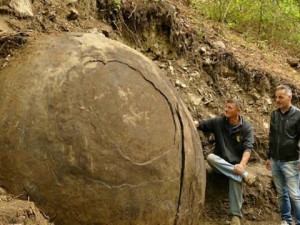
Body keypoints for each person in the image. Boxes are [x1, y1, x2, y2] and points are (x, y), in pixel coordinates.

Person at [194, 98, 256, 225]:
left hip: (235, 165)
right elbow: (200, 124)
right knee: (211, 158)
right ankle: (244, 175)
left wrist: (242, 164)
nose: (226, 109)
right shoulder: (218, 122)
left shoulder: (247, 128)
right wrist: (188, 122)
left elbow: (248, 149)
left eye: (230, 108)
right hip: (220, 163)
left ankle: (235, 217)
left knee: (235, 175)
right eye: (226, 106)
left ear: (238, 111)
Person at [266, 84, 300, 225]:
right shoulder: (274, 115)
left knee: (295, 195)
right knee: (281, 193)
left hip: (291, 161)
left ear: (289, 97)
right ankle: (286, 219)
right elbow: (272, 137)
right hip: (275, 160)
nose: (278, 100)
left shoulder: (298, 115)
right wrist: (268, 157)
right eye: (276, 97)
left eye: (281, 97)